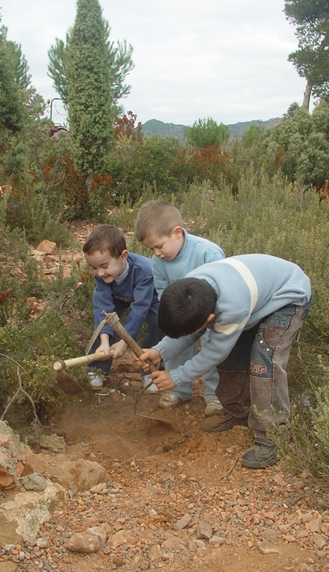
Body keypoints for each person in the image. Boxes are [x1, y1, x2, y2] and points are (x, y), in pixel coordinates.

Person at [137, 254, 312, 469]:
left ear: (210, 319)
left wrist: (177, 376)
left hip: (286, 297)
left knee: (264, 360)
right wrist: (160, 351)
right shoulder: (189, 292)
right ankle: (239, 411)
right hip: (254, 300)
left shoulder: (231, 307)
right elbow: (189, 332)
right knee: (233, 356)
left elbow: (214, 352)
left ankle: (273, 435)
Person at [135, 201, 225, 417]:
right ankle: (179, 390)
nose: (156, 253)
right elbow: (164, 295)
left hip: (212, 314)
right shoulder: (158, 263)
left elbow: (222, 291)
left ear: (177, 232)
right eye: (151, 249)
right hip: (182, 314)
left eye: (159, 246)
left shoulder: (208, 253)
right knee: (175, 341)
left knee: (214, 348)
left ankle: (215, 396)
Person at [83, 224, 163, 391]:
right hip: (119, 295)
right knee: (101, 326)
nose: (99, 273)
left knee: (158, 324)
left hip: (150, 297)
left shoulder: (144, 271)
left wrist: (124, 343)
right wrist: (105, 341)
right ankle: (97, 368)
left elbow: (139, 310)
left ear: (123, 256)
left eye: (104, 266)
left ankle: (151, 370)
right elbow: (103, 308)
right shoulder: (102, 276)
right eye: (94, 268)